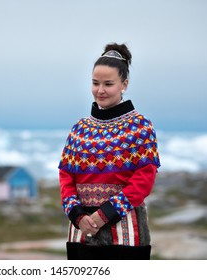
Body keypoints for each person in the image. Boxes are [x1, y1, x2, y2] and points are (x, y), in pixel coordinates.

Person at [58, 43, 160, 260]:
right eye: (95, 83)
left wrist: (104, 215)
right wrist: (77, 215)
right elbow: (66, 176)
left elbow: (144, 180)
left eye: (108, 84)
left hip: (126, 233)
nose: (100, 90)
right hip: (81, 232)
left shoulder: (139, 127)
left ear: (124, 84)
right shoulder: (80, 129)